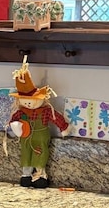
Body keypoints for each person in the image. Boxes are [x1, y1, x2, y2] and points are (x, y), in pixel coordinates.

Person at [5, 57, 68, 188]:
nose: (28, 103)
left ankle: (40, 175)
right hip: (26, 138)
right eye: (25, 100)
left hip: (40, 137)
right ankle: (26, 175)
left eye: (32, 100)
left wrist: (64, 127)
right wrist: (14, 126)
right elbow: (13, 120)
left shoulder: (45, 111)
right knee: (26, 154)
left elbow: (56, 117)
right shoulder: (21, 112)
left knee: (41, 154)